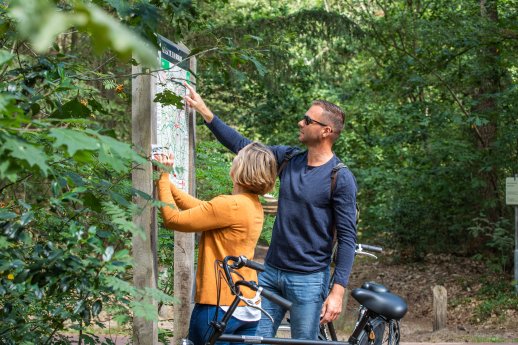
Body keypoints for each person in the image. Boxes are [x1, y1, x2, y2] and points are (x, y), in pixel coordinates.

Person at [184, 82, 357, 340]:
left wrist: (337, 291)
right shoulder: (288, 159)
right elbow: (244, 147)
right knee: (253, 340)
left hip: (309, 281)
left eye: (308, 120)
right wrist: (206, 113)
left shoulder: (339, 178)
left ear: (326, 131)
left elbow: (347, 238)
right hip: (269, 274)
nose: (301, 122)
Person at [153, 142, 277, 345]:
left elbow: (172, 220)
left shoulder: (229, 204)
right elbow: (200, 208)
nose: (234, 161)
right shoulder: (252, 205)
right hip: (248, 304)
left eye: (237, 158)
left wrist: (163, 176)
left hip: (219, 305)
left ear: (241, 168)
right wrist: (165, 180)